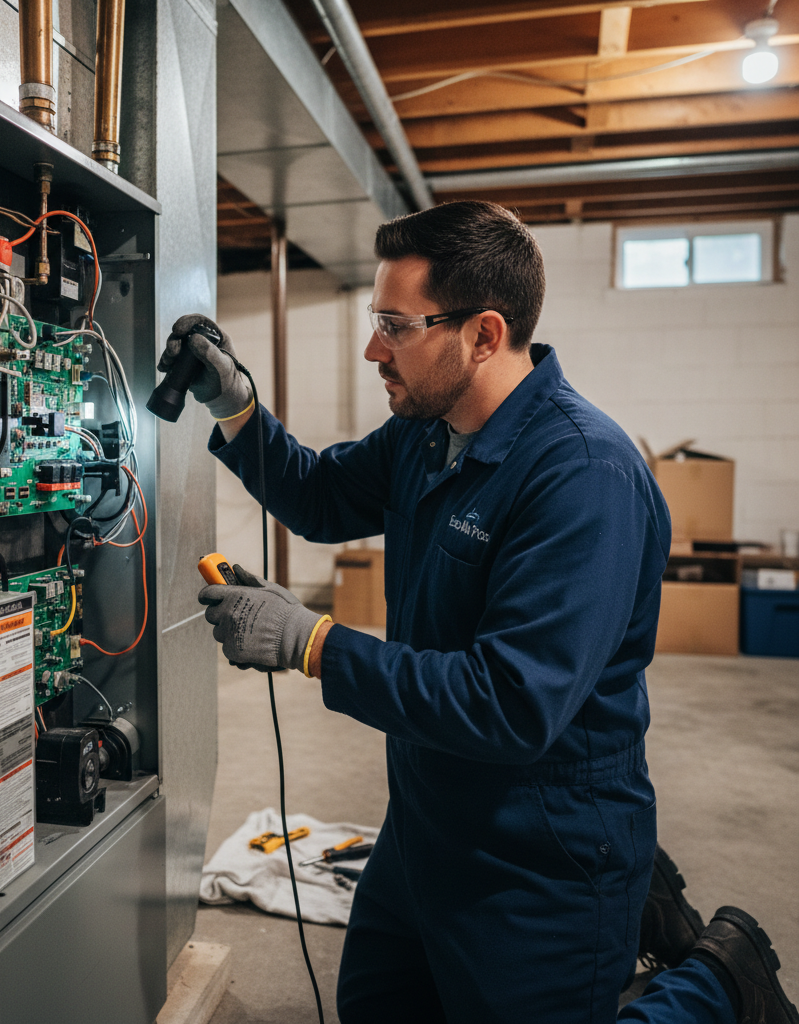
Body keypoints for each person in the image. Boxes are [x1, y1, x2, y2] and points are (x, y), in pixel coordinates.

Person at [161, 201, 797, 1024]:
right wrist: (236, 405)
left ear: (484, 334)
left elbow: (511, 704)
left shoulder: (583, 476)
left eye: (395, 325)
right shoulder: (428, 434)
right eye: (374, 320)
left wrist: (313, 642)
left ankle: (716, 981)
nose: (372, 349)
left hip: (543, 847)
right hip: (425, 816)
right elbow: (321, 496)